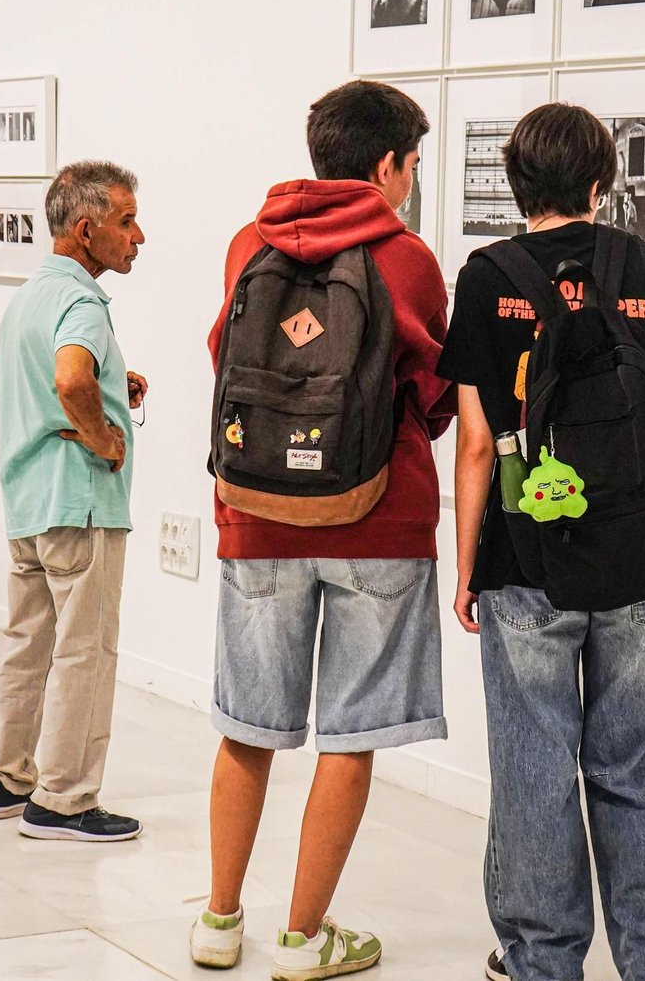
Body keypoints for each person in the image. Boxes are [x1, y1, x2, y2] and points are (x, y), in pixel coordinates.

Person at [437, 103, 645, 981]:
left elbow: (472, 441)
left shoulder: (487, 275)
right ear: (601, 185)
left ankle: (541, 962)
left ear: (516, 185)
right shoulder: (630, 258)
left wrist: (465, 567)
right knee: (640, 767)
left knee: (533, 772)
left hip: (528, 560)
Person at [191, 81, 454, 979]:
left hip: (258, 514)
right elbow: (431, 387)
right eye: (412, 164)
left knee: (246, 727)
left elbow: (224, 355)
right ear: (385, 165)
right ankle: (304, 940)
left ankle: (219, 924)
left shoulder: (247, 243)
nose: (413, 181)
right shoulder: (407, 257)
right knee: (349, 736)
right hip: (377, 520)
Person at [0, 161, 149, 842]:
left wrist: (114, 385)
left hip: (27, 502)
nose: (139, 236)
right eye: (127, 222)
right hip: (78, 504)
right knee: (86, 650)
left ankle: (6, 779)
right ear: (87, 230)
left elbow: (69, 377)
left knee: (26, 643)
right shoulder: (83, 303)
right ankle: (65, 800)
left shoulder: (31, 297)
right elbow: (72, 378)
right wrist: (105, 436)